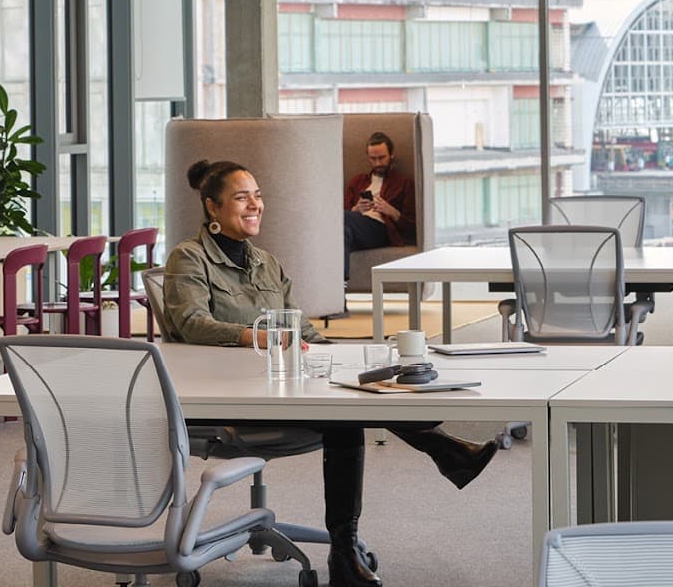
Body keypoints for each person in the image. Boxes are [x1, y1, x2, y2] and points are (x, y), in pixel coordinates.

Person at [164, 159, 497, 587]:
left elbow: (301, 330)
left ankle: (349, 547)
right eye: (241, 197)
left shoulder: (266, 262)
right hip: (230, 399)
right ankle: (439, 457)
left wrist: (338, 356)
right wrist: (259, 336)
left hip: (281, 385)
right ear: (212, 207)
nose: (255, 205)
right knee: (344, 416)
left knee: (359, 387)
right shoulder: (188, 258)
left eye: (258, 195)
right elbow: (193, 323)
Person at [342, 132, 416, 281]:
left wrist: (393, 212)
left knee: (338, 217)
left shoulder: (403, 183)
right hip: (355, 226)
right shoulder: (357, 181)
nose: (377, 163)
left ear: (392, 155)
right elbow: (345, 211)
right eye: (373, 159)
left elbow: (413, 227)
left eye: (381, 158)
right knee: (343, 232)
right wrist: (355, 210)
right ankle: (340, 291)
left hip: (382, 229)